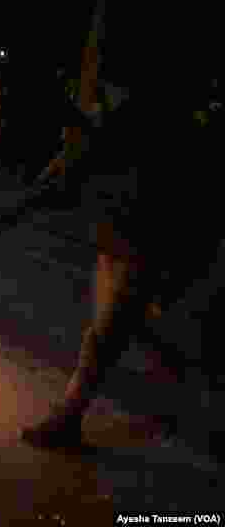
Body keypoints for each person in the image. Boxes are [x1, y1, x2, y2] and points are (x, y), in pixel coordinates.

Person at [21, 73, 222, 458]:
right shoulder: (132, 119)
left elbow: (197, 204)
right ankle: (172, 357)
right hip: (118, 238)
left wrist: (182, 267)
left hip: (143, 243)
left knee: (103, 337)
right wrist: (58, 177)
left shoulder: (176, 131)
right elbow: (93, 154)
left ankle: (67, 419)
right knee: (112, 332)